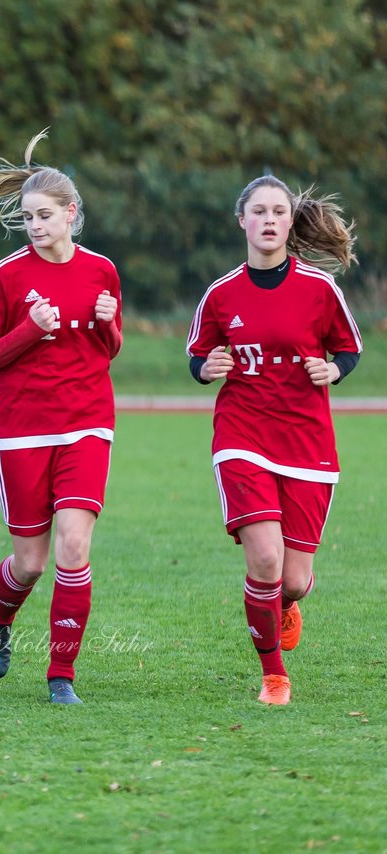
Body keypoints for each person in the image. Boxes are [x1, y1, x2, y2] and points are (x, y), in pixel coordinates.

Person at [0, 130, 122, 705]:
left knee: (74, 548)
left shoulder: (102, 271)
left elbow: (109, 349)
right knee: (29, 562)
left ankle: (60, 676)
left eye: (45, 215)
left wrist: (106, 323)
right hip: (20, 432)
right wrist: (30, 331)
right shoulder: (7, 276)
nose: (35, 225)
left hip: (87, 423)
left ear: (71, 214)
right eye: (27, 217)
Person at [186, 175, 361, 706]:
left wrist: (332, 371)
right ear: (242, 221)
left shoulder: (320, 289)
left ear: (290, 221)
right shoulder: (221, 293)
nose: (268, 220)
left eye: (278, 211)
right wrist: (206, 367)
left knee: (295, 580)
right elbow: (199, 354)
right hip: (242, 435)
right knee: (264, 560)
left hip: (308, 442)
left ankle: (285, 602)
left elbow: (348, 349)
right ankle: (274, 676)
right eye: (258, 211)